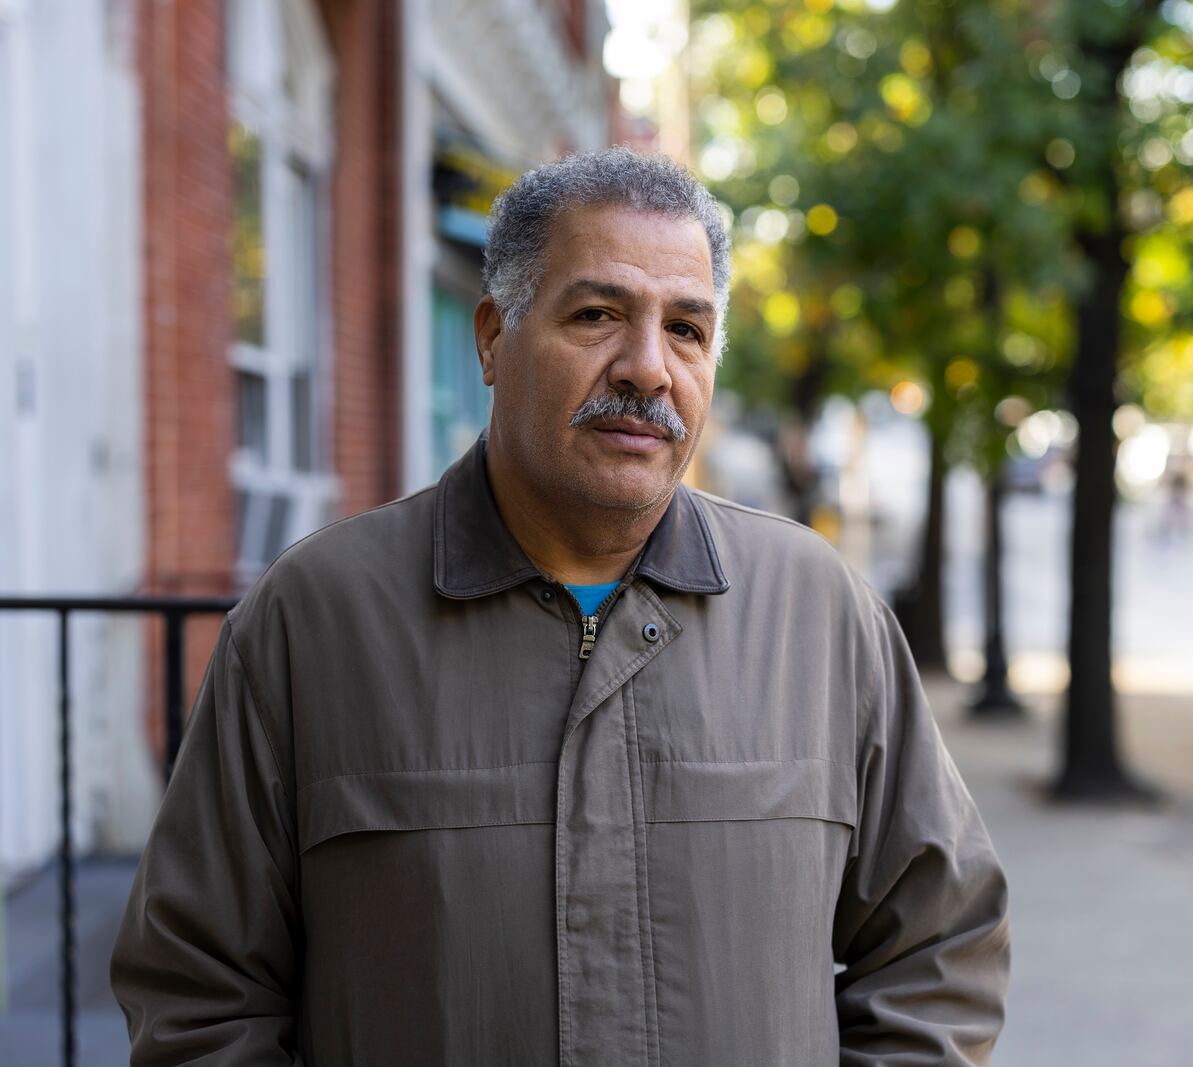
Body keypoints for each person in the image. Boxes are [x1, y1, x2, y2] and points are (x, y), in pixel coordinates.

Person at [110, 148, 1010, 1064]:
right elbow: (200, 994)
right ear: (495, 336)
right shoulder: (314, 621)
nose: (649, 369)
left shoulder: (819, 615)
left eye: (688, 330)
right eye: (597, 315)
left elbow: (939, 948)